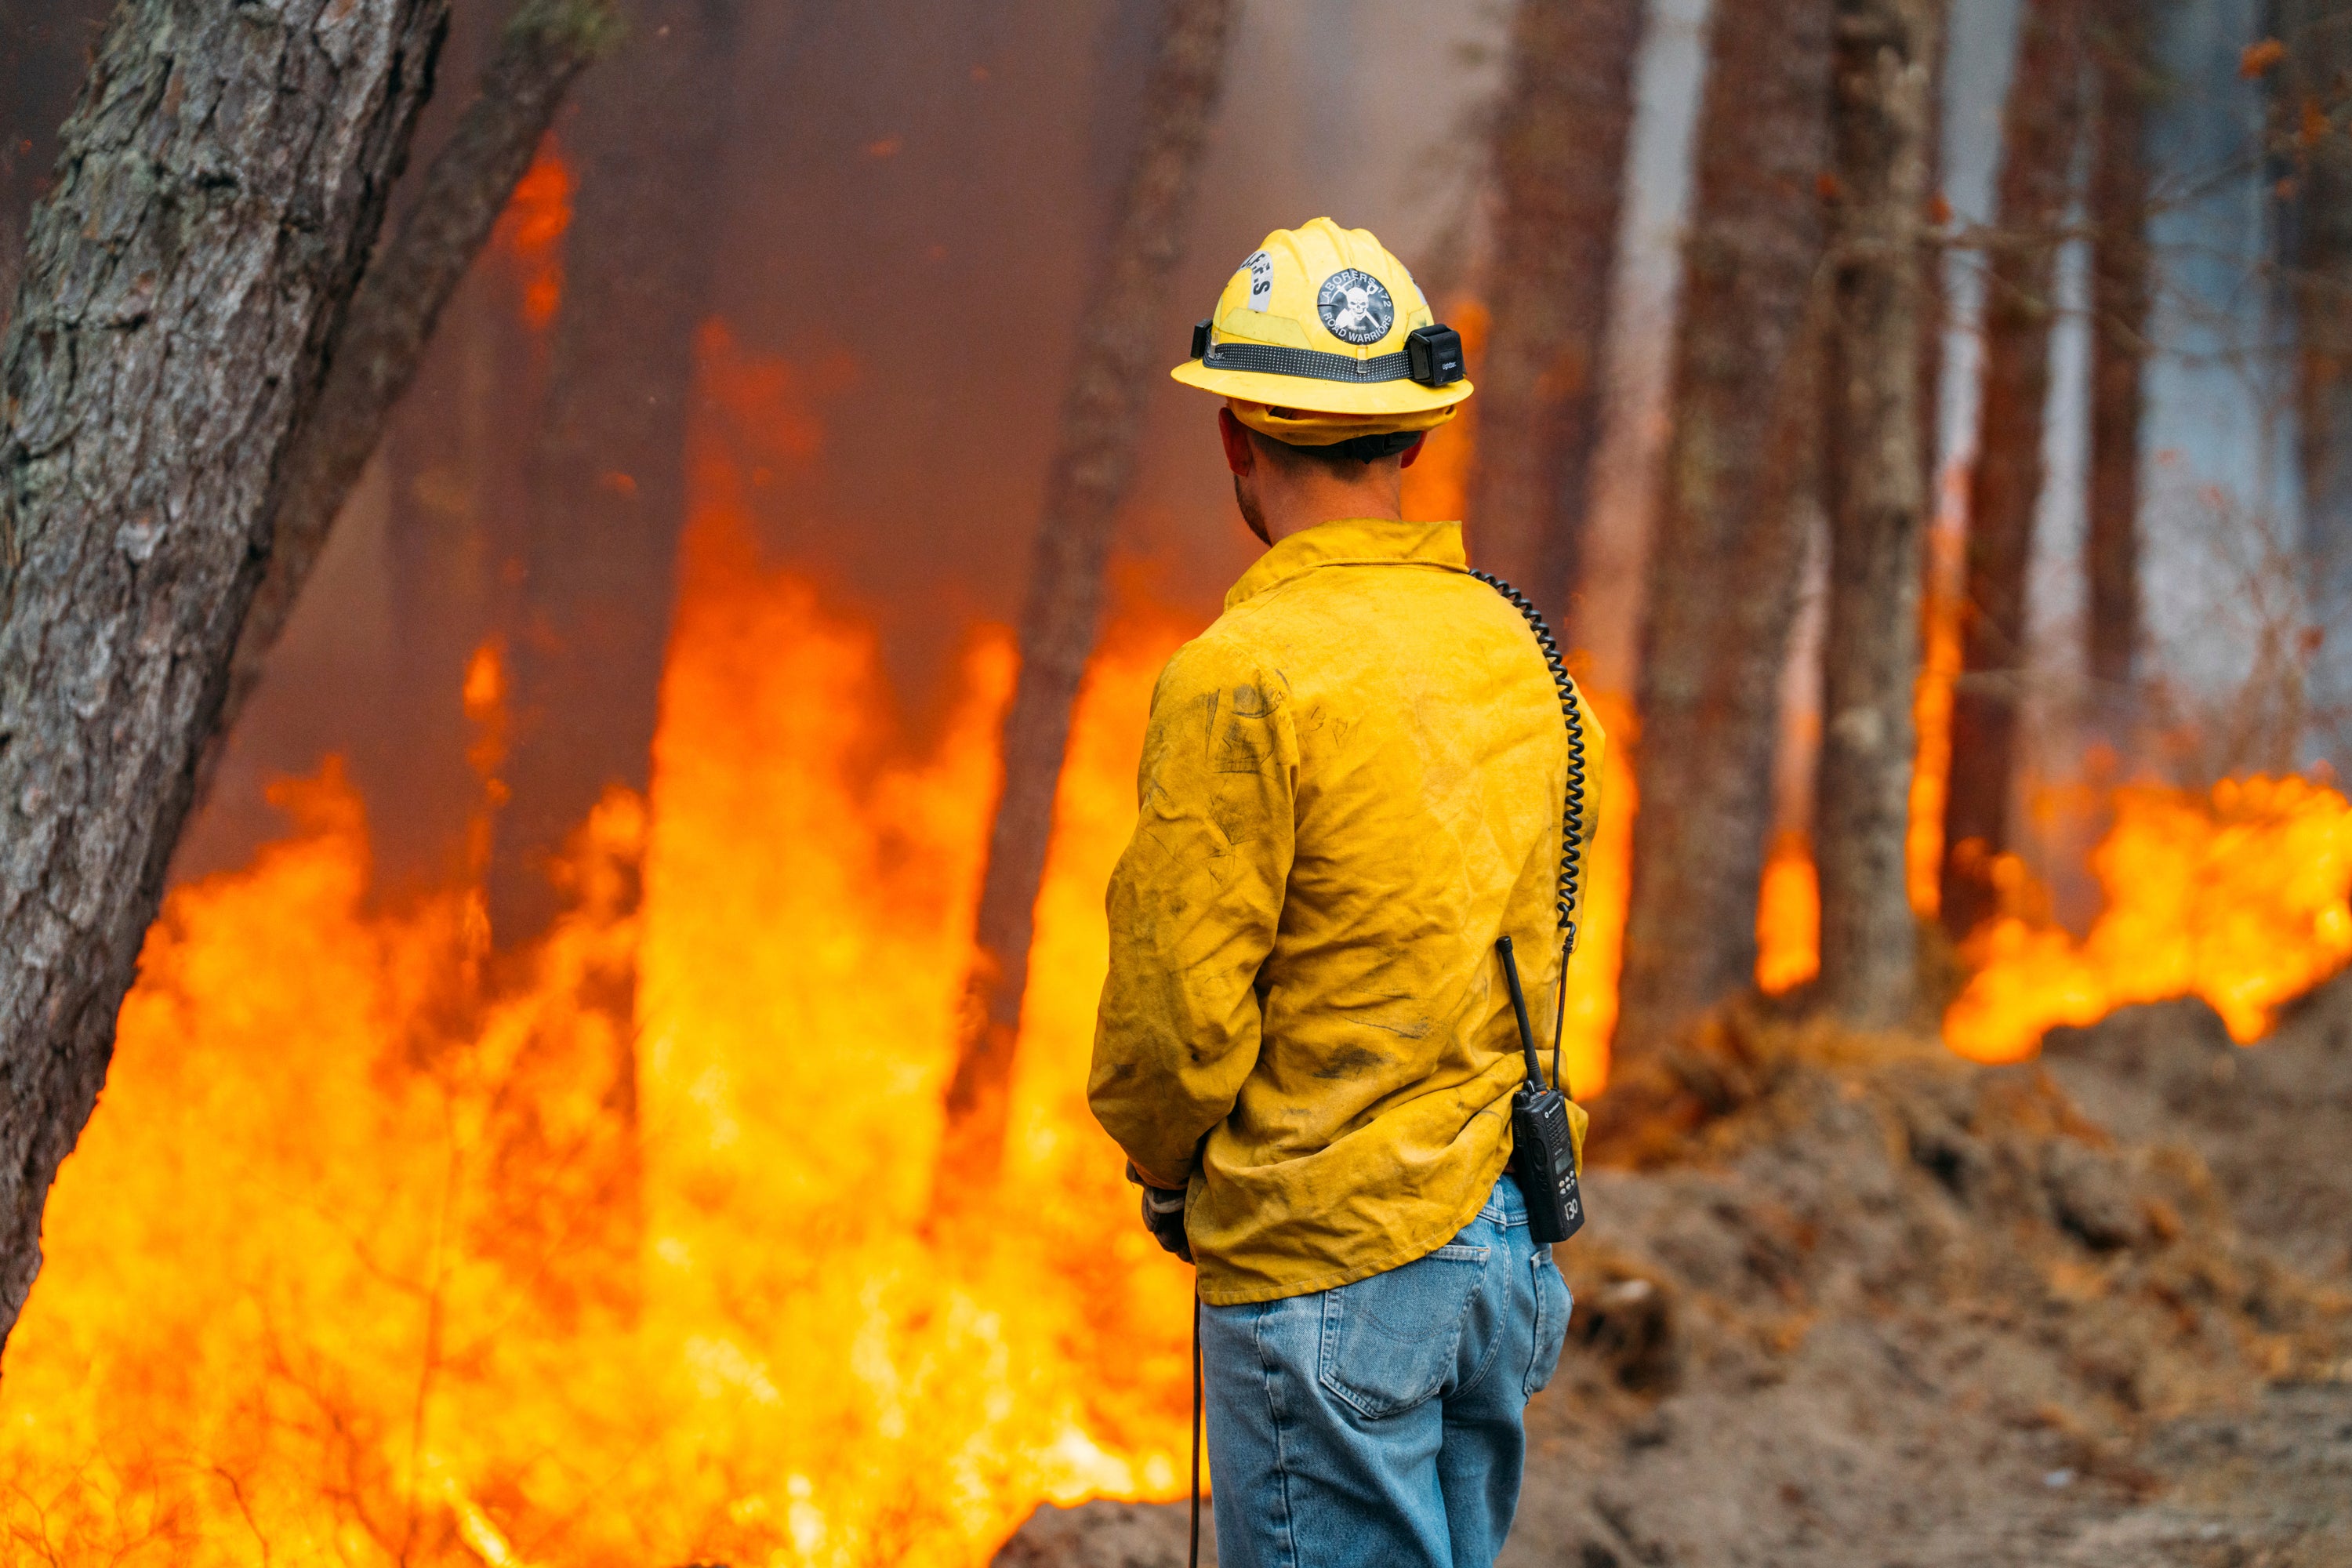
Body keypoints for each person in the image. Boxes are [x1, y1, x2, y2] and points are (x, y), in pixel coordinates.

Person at [1087, 217, 1606, 1568]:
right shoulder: (1522, 653)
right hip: (1499, 1259)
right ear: (1415, 438)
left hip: (1328, 1275)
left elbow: (1173, 1022)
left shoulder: (1243, 675)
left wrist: (1168, 1168)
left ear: (1234, 439)